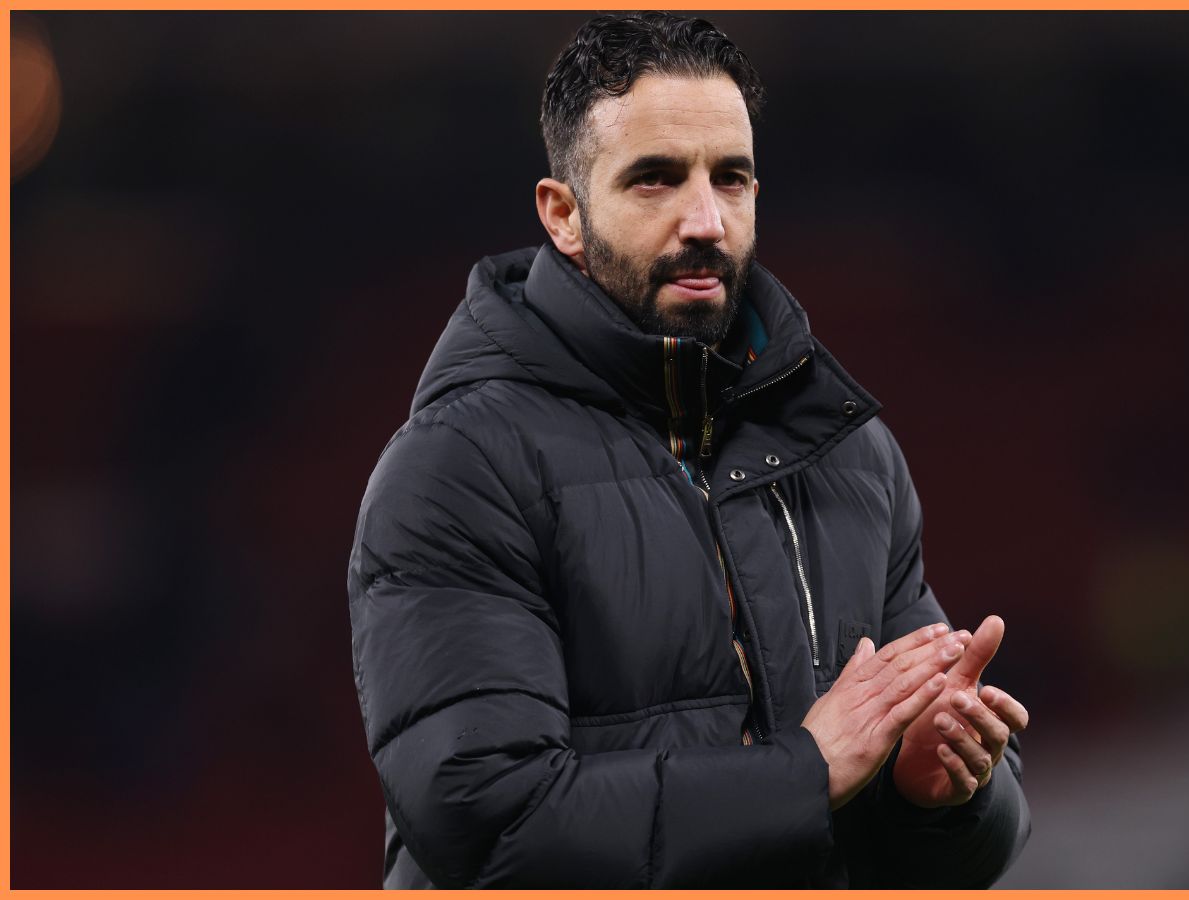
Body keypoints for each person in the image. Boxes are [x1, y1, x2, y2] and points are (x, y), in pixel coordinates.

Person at [348, 12, 1030, 888]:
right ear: (563, 214)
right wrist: (805, 773)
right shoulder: (458, 468)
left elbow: (959, 850)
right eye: (655, 180)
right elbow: (489, 825)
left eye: (729, 178)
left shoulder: (850, 457)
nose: (705, 219)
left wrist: (931, 797)